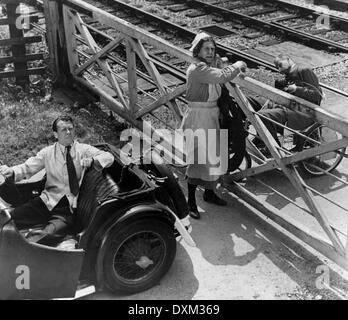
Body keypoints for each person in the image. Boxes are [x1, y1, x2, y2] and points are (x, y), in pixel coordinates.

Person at [0, 115, 114, 239]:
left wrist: (93, 160)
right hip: (44, 202)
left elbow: (109, 157)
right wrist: (11, 172)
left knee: (45, 236)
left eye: (71, 129)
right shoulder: (47, 152)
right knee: (5, 219)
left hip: (67, 211)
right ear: (56, 134)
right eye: (63, 130)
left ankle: (27, 247)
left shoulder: (83, 150)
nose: (68, 132)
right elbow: (28, 167)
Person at [181, 32, 247, 219]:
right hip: (198, 117)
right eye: (206, 49)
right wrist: (238, 65)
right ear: (197, 50)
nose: (210, 52)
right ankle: (191, 202)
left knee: (213, 157)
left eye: (212, 49)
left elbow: (224, 76)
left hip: (211, 115)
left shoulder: (208, 67)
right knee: (198, 159)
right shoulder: (197, 69)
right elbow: (222, 76)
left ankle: (209, 193)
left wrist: (231, 71)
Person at [256, 54, 323, 147]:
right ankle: (261, 139)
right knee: (256, 105)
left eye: (280, 65)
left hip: (304, 112)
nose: (279, 70)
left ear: (288, 59)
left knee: (263, 115)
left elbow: (317, 96)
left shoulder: (303, 70)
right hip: (291, 107)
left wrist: (297, 89)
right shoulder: (289, 73)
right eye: (277, 67)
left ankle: (273, 146)